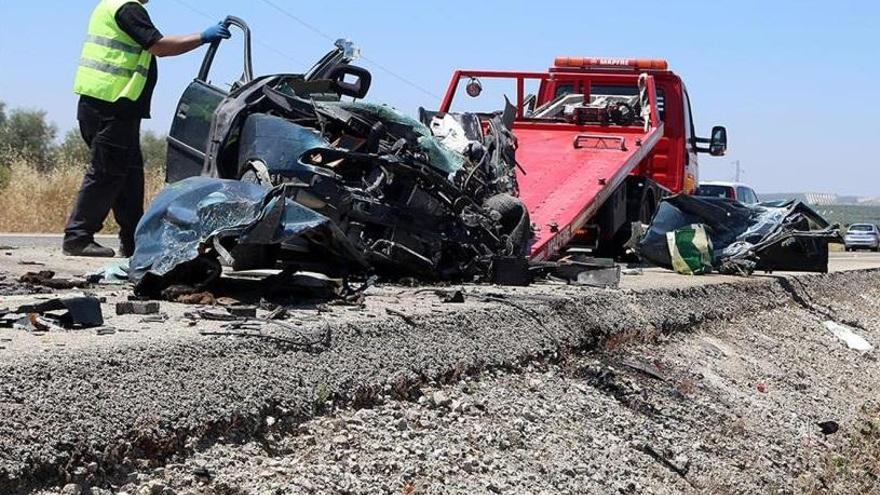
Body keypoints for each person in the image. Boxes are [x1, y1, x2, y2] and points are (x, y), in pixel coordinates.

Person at [64, 0, 231, 257]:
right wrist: (202, 37)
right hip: (112, 105)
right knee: (106, 173)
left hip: (108, 105)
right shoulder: (127, 8)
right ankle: (77, 237)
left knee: (129, 177)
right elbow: (159, 46)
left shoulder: (108, 5)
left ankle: (133, 242)